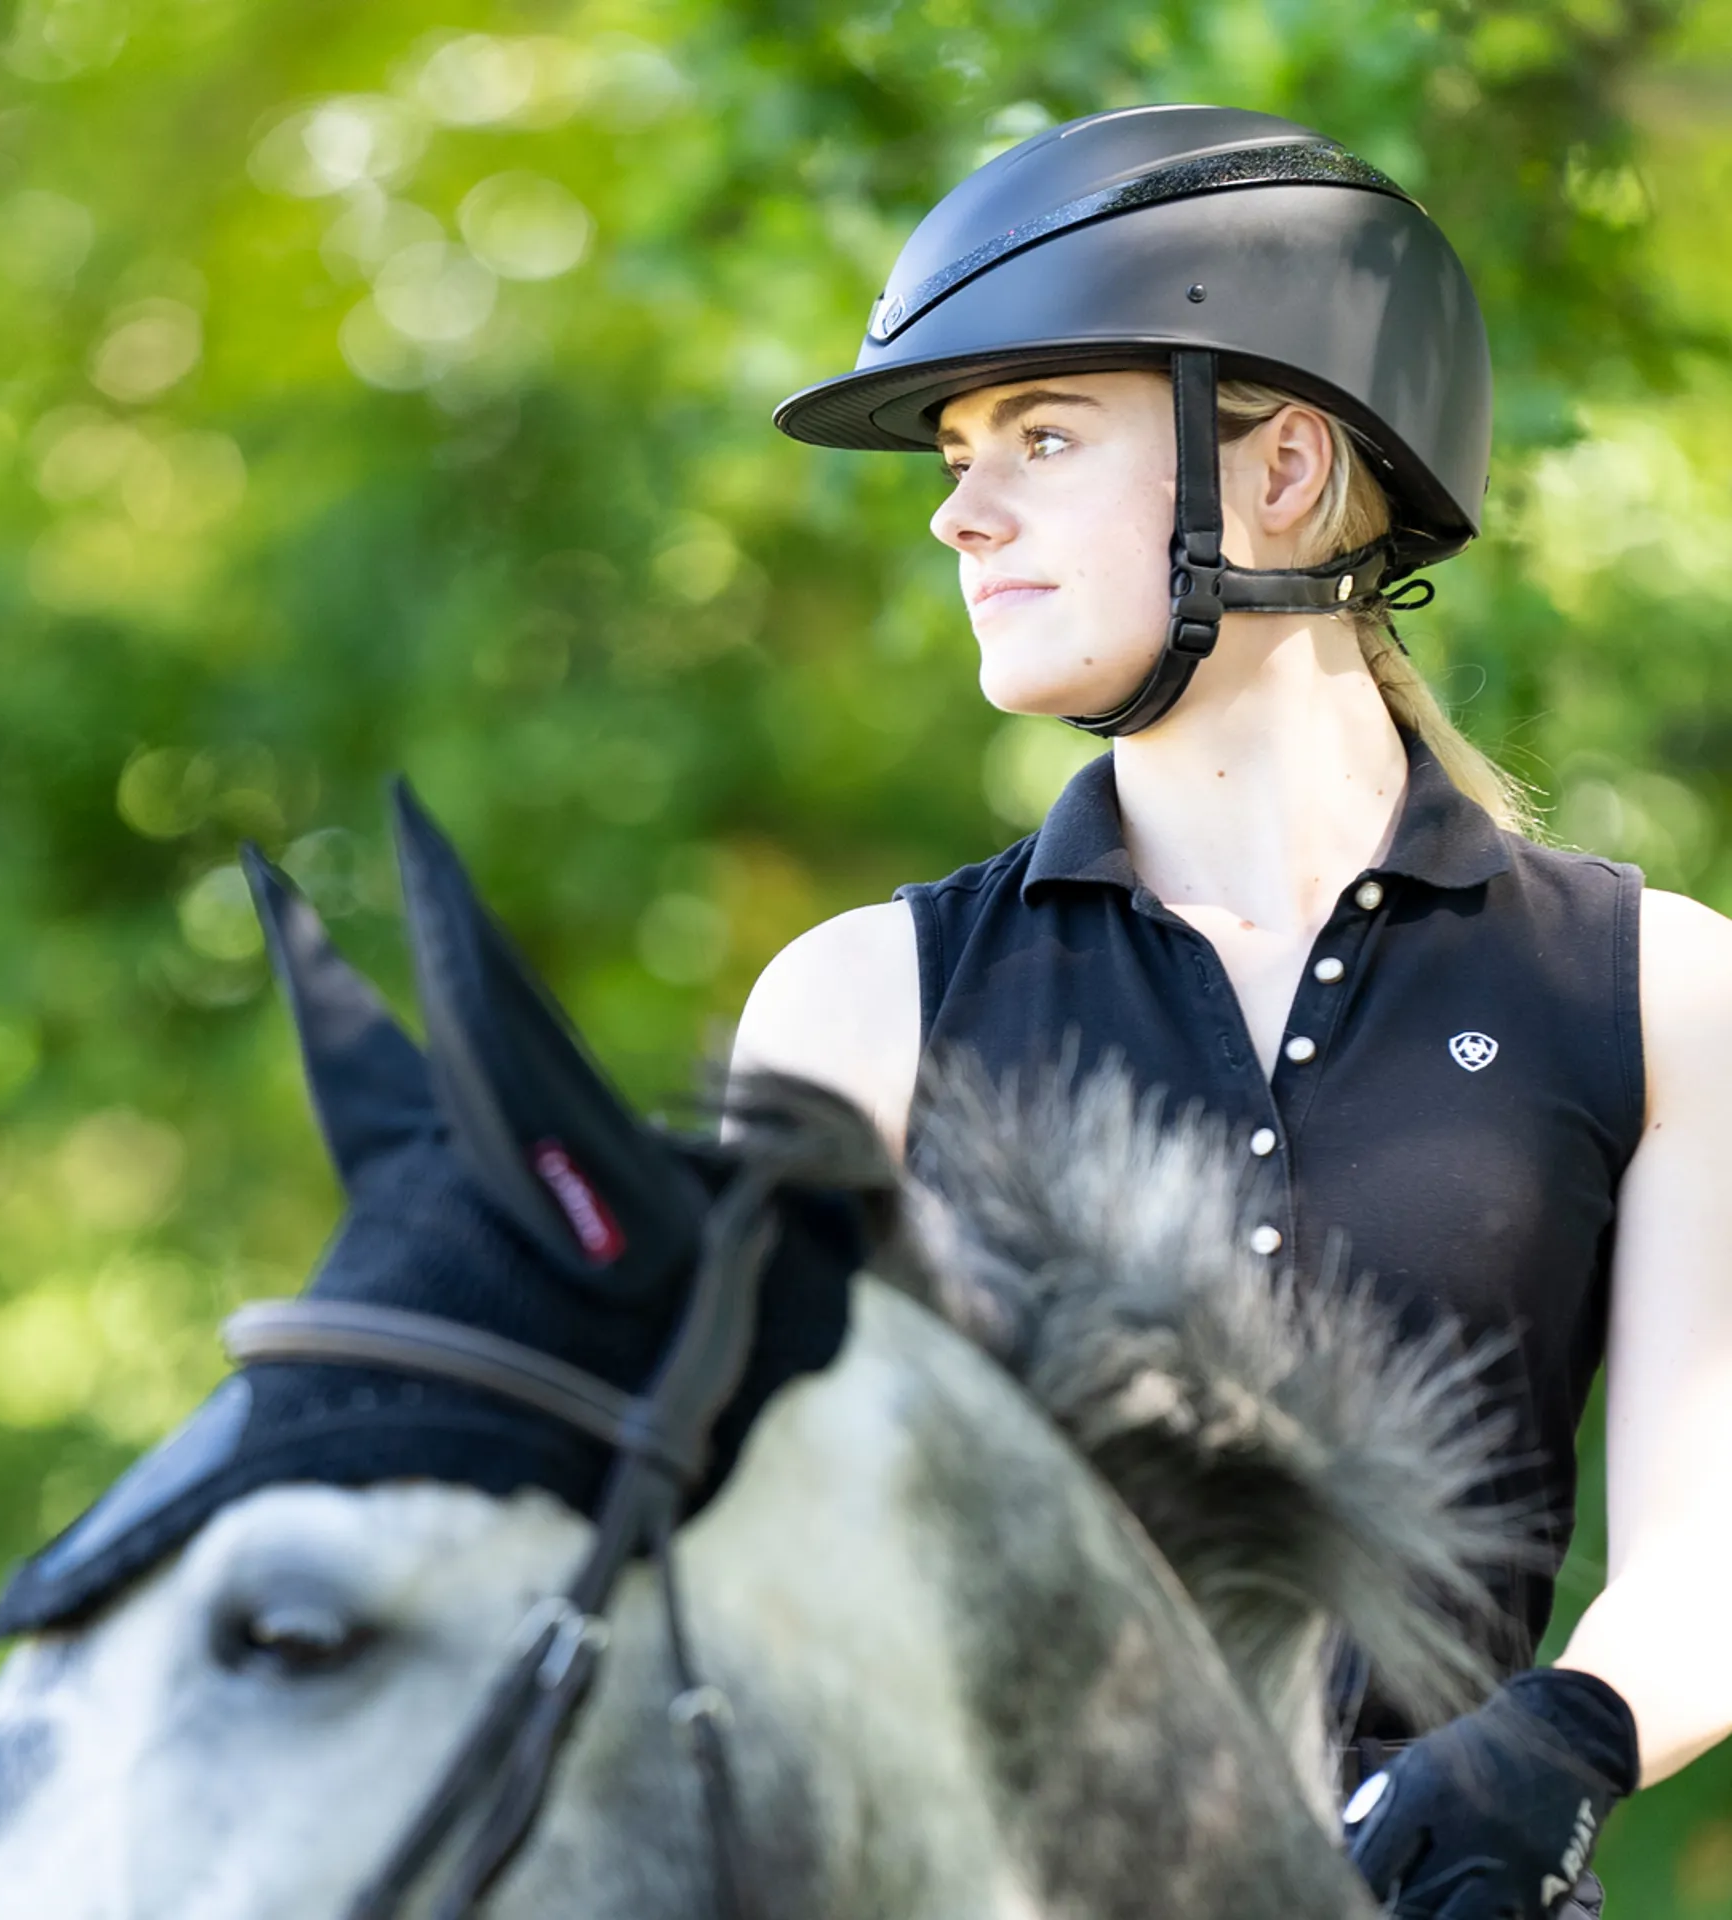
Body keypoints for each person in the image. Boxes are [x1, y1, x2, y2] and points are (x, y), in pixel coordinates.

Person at [732, 104, 1732, 1918]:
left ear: (1277, 473)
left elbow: (1712, 1545)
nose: (961, 510)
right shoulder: (858, 1006)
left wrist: (1561, 1739)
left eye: (1039, 435)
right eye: (955, 453)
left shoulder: (1666, 989)